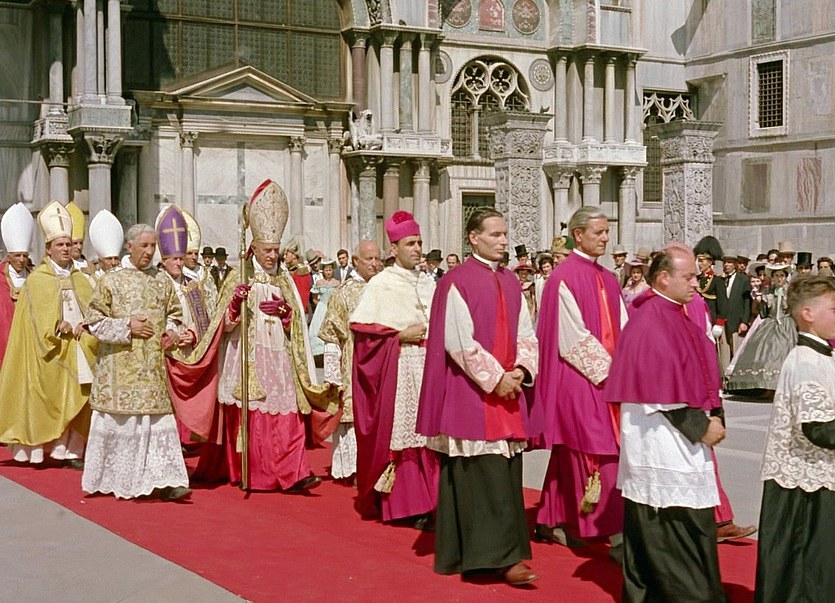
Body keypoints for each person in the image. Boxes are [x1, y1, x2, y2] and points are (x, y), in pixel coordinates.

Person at [417, 207, 540, 586]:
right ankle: (496, 557)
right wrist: (496, 378)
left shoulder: (510, 280)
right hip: (473, 393)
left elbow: (526, 331)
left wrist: (521, 371)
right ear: (474, 237)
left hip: (507, 391)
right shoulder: (457, 281)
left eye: (504, 234)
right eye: (495, 234)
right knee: (481, 478)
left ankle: (489, 553)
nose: (503, 241)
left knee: (505, 477)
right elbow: (458, 341)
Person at [192, 179, 335, 492]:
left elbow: (296, 324)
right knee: (254, 417)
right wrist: (234, 305)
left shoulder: (284, 279)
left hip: (279, 357)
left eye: (276, 251)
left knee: (287, 412)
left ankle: (294, 472)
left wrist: (286, 314)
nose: (272, 256)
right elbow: (221, 325)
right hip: (246, 356)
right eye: (267, 250)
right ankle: (259, 474)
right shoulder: (238, 276)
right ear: (254, 248)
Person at [604, 246, 726, 602]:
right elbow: (660, 390)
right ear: (662, 278)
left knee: (679, 527)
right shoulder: (649, 321)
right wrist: (702, 427)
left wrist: (716, 413)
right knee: (671, 530)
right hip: (660, 441)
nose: (696, 283)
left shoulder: (675, 313)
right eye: (688, 277)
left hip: (678, 437)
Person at [530, 206, 627, 555]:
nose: (605, 238)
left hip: (610, 376)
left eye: (606, 232)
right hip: (581, 376)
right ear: (578, 234)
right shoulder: (562, 278)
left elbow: (624, 326)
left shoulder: (609, 278)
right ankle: (614, 532)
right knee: (600, 450)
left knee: (569, 451)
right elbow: (571, 338)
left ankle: (551, 517)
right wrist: (613, 373)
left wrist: (630, 366)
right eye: (598, 232)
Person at [80, 217, 190, 500]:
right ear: (129, 247)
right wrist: (127, 326)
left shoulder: (162, 280)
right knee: (122, 423)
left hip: (153, 369)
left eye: (153, 246)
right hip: (119, 370)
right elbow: (94, 321)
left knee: (158, 423)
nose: (150, 251)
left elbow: (175, 314)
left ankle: (166, 480)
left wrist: (171, 332)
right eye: (144, 246)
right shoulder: (111, 280)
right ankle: (117, 479)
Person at [350, 210, 439, 529]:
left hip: (429, 367)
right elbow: (364, 337)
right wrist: (399, 336)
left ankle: (435, 501)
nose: (417, 249)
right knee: (406, 437)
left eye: (419, 243)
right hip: (400, 368)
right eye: (410, 243)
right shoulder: (381, 284)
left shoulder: (429, 282)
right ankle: (407, 504)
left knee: (430, 437)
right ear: (394, 248)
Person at [755, 275, 835, 602]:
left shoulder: (823, 356)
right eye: (833, 308)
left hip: (817, 477)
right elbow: (817, 428)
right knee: (804, 568)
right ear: (808, 313)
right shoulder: (804, 360)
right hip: (801, 484)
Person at [0, 201, 97, 468]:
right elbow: (33, 321)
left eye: (68, 244)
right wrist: (55, 325)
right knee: (52, 397)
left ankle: (71, 451)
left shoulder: (81, 279)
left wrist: (87, 325)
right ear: (48, 249)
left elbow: (94, 310)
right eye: (60, 245)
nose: (65, 249)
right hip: (50, 351)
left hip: (80, 347)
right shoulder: (37, 280)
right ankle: (44, 448)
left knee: (82, 395)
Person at [318, 241, 383, 482]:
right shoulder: (343, 293)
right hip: (353, 364)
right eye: (369, 259)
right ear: (356, 261)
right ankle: (355, 468)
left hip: (383, 363)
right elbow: (331, 337)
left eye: (378, 258)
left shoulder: (386, 288)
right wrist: (332, 375)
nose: (375, 264)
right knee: (355, 414)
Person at [726, 263, 797, 394]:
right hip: (770, 323)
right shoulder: (768, 292)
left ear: (786, 277)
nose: (779, 278)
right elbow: (763, 313)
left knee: (782, 351)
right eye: (776, 276)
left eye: (782, 275)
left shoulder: (790, 292)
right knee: (764, 350)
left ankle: (783, 387)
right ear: (772, 278)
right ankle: (766, 386)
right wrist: (762, 302)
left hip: (786, 325)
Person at [0, 202, 34, 364]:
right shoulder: (1, 279)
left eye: (25, 255)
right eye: (17, 255)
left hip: (31, 339)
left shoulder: (35, 278)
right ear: (9, 256)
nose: (21, 260)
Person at [716, 249, 752, 375]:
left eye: (730, 262)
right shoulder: (720, 280)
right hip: (723, 320)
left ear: (735, 264)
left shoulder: (743, 279)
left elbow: (747, 301)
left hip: (737, 321)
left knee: (737, 350)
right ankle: (725, 378)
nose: (726, 265)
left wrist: (745, 321)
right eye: (725, 262)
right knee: (724, 351)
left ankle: (737, 377)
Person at [182, 210, 219, 310]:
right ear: (183, 255)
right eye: (190, 253)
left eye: (196, 254)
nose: (194, 257)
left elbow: (215, 297)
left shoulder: (206, 274)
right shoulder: (180, 277)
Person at [308, 258, 340, 357]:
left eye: (330, 270)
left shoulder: (337, 283)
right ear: (323, 271)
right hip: (321, 308)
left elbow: (339, 297)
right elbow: (314, 298)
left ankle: (333, 350)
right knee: (318, 328)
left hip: (332, 308)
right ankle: (318, 351)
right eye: (326, 270)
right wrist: (320, 306)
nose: (328, 272)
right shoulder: (319, 283)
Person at [694, 235, 724, 323]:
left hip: (711, 318)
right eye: (698, 261)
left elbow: (722, 304)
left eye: (702, 261)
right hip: (697, 317)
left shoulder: (717, 280)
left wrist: (719, 323)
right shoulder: (697, 279)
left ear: (710, 262)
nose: (699, 264)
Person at [66, 201, 97, 287]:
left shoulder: (89, 265)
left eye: (81, 243)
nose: (79, 247)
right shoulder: (64, 265)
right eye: (75, 243)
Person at [89, 210, 124, 277]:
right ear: (100, 261)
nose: (113, 263)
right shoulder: (94, 279)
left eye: (116, 258)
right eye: (109, 259)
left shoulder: (124, 278)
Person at [283, 237, 312, 314]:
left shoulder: (301, 271)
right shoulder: (289, 270)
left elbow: (303, 296)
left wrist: (297, 313)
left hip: (298, 311)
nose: (284, 257)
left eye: (286, 254)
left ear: (294, 255)